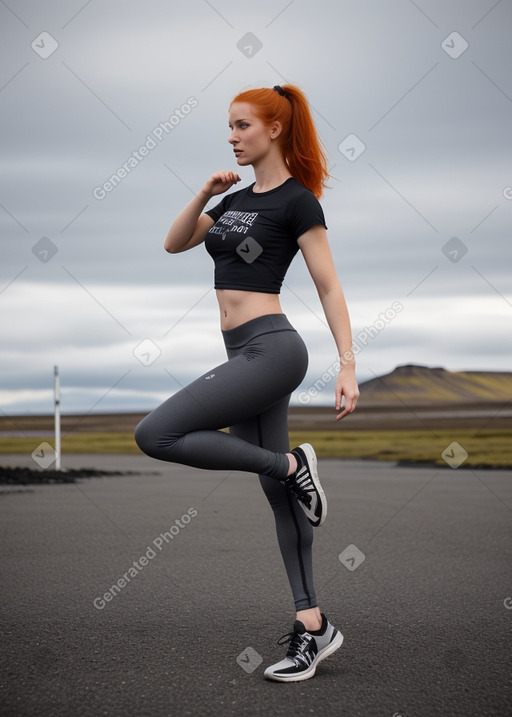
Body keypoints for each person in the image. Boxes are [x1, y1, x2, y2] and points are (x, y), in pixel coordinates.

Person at [134, 83, 359, 682]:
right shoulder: (232, 203)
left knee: (156, 432)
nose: (231, 138)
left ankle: (292, 465)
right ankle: (313, 627)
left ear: (274, 129)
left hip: (273, 350)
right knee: (278, 498)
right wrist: (205, 194)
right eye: (229, 128)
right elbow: (174, 243)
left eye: (241, 127)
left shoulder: (297, 201)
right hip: (242, 351)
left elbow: (328, 285)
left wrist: (347, 363)